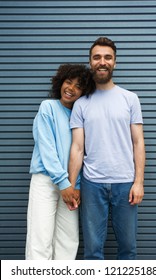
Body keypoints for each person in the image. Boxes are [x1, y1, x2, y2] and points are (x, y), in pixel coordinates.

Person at [68, 37, 145, 260]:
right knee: (92, 251)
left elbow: (138, 142)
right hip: (92, 184)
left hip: (125, 183)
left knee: (128, 249)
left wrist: (138, 182)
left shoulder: (130, 99)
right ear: (90, 62)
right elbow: (77, 147)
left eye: (107, 57)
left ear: (115, 62)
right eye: (97, 57)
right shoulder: (81, 103)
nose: (102, 62)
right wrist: (72, 186)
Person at [25, 64, 95, 260]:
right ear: (60, 82)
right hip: (47, 181)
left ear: (84, 92)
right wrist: (64, 183)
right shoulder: (48, 107)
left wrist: (76, 185)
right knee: (40, 239)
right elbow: (47, 149)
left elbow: (81, 153)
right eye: (68, 82)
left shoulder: (79, 116)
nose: (71, 88)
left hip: (71, 184)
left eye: (78, 86)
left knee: (68, 240)